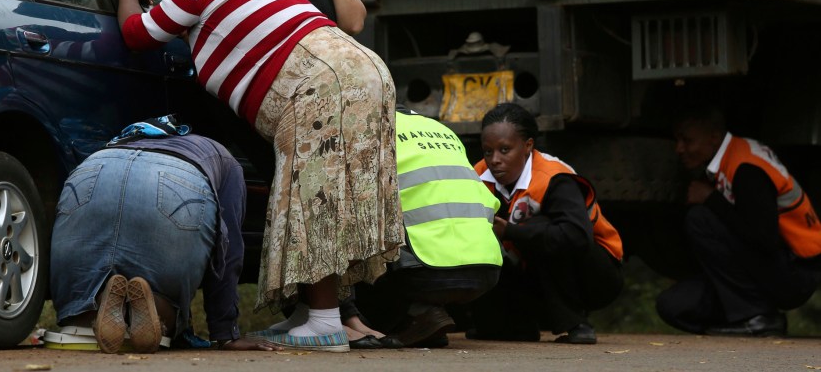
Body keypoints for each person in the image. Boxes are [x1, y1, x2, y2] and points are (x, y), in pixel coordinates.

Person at [117, 0, 402, 352]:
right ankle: (312, 314)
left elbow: (136, 34)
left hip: (321, 85)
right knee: (335, 193)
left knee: (313, 196)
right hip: (365, 70)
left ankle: (325, 324)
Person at [49, 115, 277, 353]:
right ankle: (158, 311)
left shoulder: (123, 139)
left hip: (96, 168)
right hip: (177, 178)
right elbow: (228, 253)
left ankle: (90, 312)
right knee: (167, 307)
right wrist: (226, 333)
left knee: (79, 310)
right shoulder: (222, 157)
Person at [656, 105, 821, 336]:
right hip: (766, 268)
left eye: (687, 140)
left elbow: (765, 239)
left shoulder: (746, 169)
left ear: (714, 138)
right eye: (677, 140)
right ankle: (742, 316)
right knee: (672, 306)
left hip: (794, 273)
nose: (679, 149)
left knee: (699, 219)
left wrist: (711, 198)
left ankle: (756, 318)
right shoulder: (731, 155)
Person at [468, 103, 624, 344]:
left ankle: (575, 323)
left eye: (505, 150)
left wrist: (511, 231)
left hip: (593, 276)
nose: (495, 160)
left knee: (541, 225)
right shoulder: (476, 177)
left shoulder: (555, 178)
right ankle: (512, 324)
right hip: (532, 275)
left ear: (528, 146)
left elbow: (576, 237)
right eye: (488, 152)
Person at [352, 106, 503, 348]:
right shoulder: (440, 128)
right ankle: (424, 319)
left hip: (423, 270)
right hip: (488, 270)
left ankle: (414, 314)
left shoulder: (367, 127)